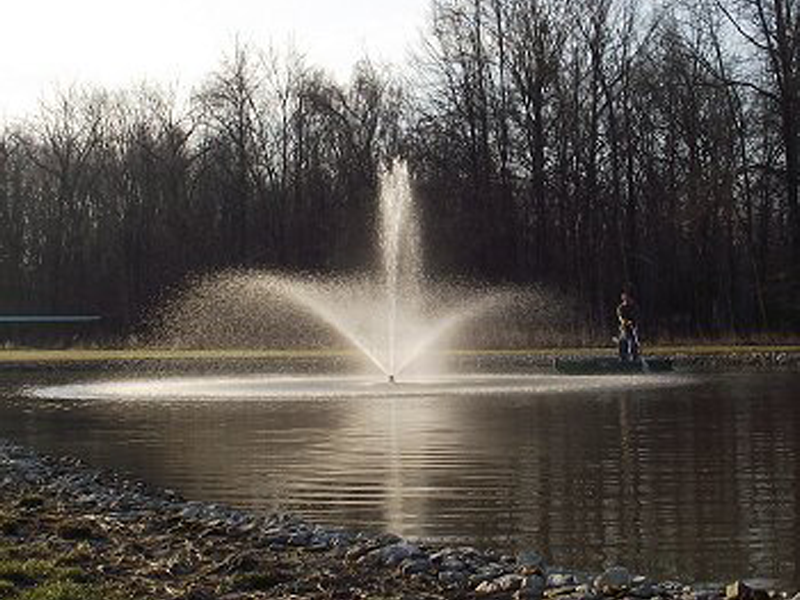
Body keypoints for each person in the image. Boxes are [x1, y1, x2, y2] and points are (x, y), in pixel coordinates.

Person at [616, 290, 640, 361]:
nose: (626, 299)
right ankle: (623, 358)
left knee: (633, 343)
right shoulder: (620, 308)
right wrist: (626, 322)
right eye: (624, 298)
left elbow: (636, 317)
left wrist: (633, 323)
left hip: (633, 328)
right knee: (623, 342)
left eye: (627, 298)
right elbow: (621, 318)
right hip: (624, 328)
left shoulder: (634, 307)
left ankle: (634, 358)